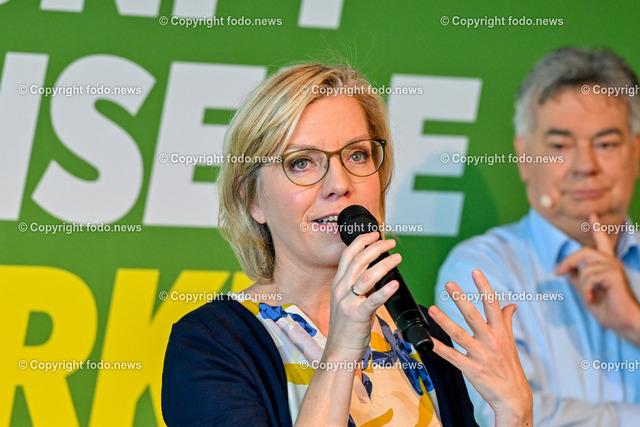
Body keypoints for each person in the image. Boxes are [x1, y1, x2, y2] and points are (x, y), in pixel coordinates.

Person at [162, 63, 533, 426]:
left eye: (357, 155)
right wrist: (341, 350)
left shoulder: (422, 335)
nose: (339, 184)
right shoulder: (208, 345)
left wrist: (515, 415)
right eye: (302, 162)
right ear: (251, 198)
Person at [436, 47, 640, 426]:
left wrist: (633, 322)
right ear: (524, 157)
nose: (586, 166)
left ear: (637, 152)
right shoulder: (482, 270)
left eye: (606, 144)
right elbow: (507, 414)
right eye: (560, 146)